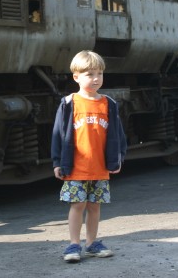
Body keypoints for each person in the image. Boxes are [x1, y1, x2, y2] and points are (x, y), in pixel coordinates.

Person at [51, 50, 127, 263]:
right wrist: (57, 161)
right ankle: (74, 244)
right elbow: (58, 133)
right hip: (76, 168)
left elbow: (118, 134)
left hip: (100, 168)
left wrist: (119, 157)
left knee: (95, 207)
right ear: (76, 77)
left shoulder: (108, 104)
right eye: (90, 74)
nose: (96, 79)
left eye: (99, 73)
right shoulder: (69, 103)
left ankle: (92, 243)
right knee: (77, 205)